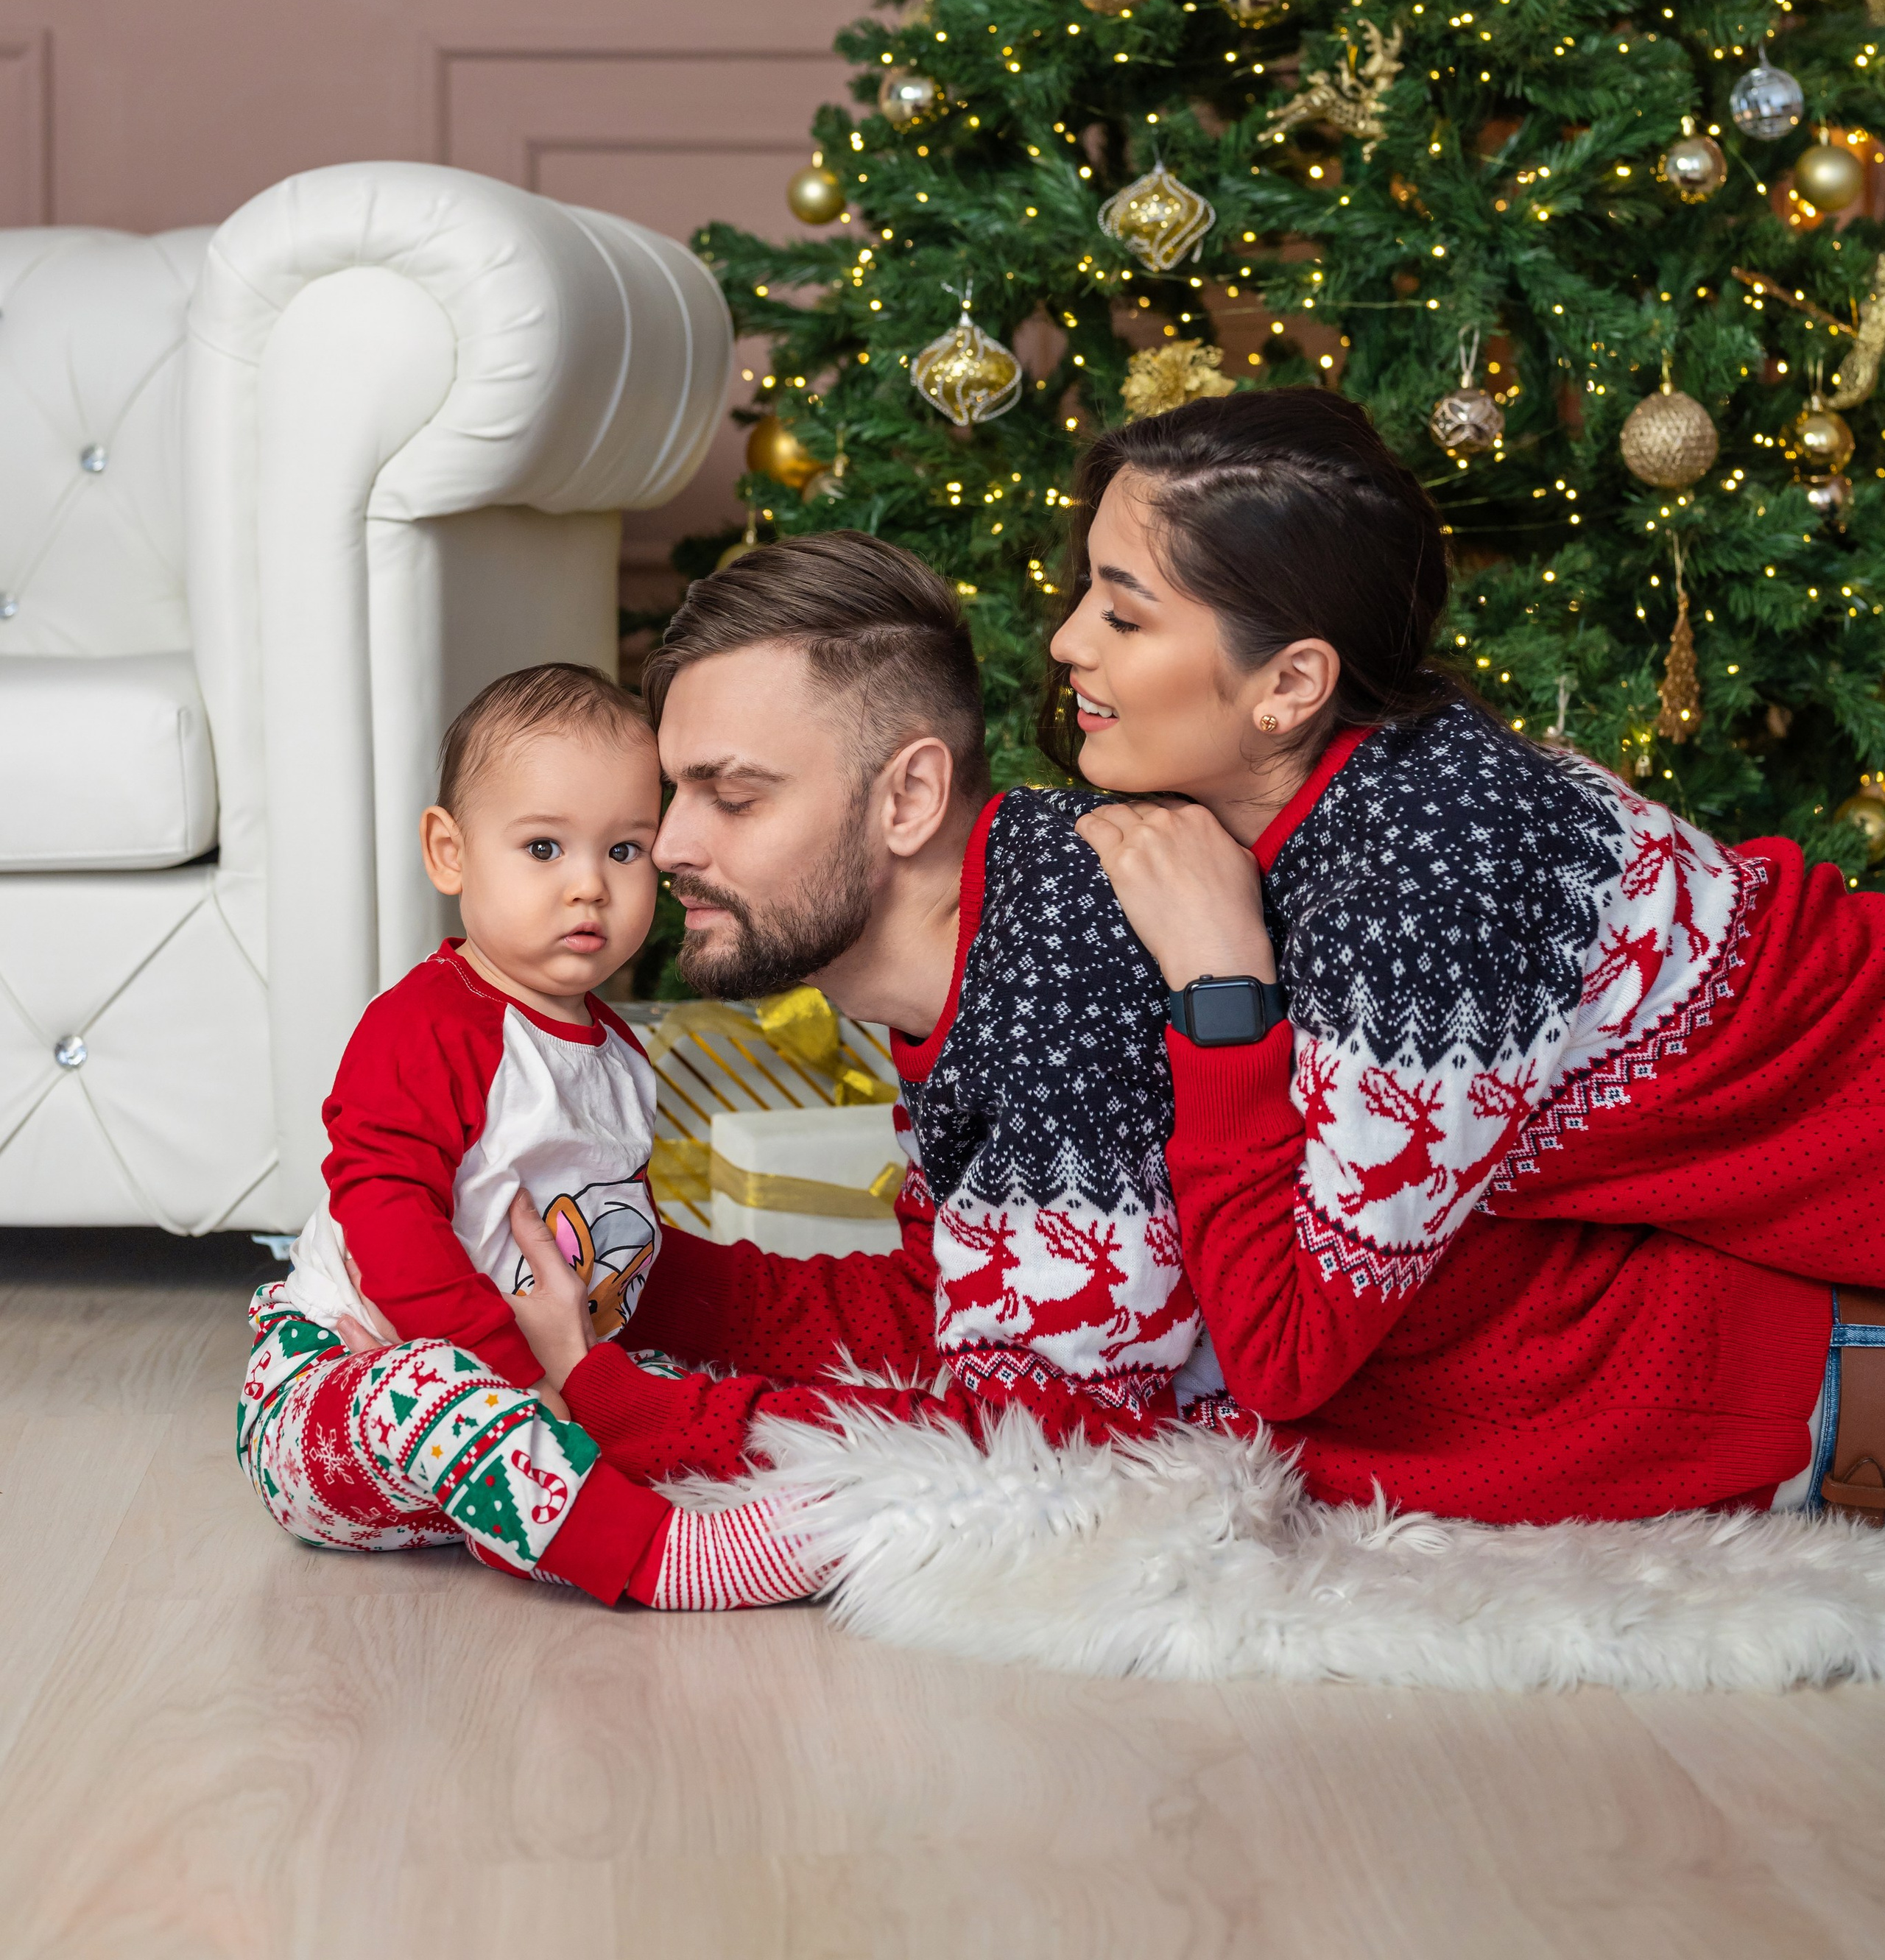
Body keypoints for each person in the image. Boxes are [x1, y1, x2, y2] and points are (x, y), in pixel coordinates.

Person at [548, 407, 1884, 1527]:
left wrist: (1224, 1000)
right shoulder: (1174, 859)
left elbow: (1254, 1363)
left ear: (1290, 684)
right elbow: (987, 1291)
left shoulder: (1423, 879)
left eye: (1124, 617)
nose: (1065, 641)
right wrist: (652, 1283)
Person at [236, 662, 821, 1609]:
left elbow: (621, 1242)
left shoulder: (619, 1054)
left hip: (528, 1396)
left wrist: (597, 1378)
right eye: (544, 847)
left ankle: (806, 1503)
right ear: (450, 851)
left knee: (681, 1385)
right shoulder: (425, 1027)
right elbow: (387, 1219)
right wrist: (527, 1383)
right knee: (433, 1390)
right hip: (340, 1393)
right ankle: (657, 1558)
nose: (589, 887)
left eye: (625, 851)